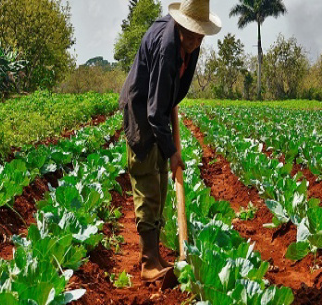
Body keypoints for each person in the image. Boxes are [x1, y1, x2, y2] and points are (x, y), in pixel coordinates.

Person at [118, 0, 221, 282]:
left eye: (200, 34)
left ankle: (156, 256)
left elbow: (171, 95)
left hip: (159, 112)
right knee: (148, 184)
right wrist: (173, 153)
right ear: (180, 25)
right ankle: (147, 261)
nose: (196, 39)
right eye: (192, 33)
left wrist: (170, 146)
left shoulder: (191, 44)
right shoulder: (166, 47)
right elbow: (153, 111)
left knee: (162, 184)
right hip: (142, 116)